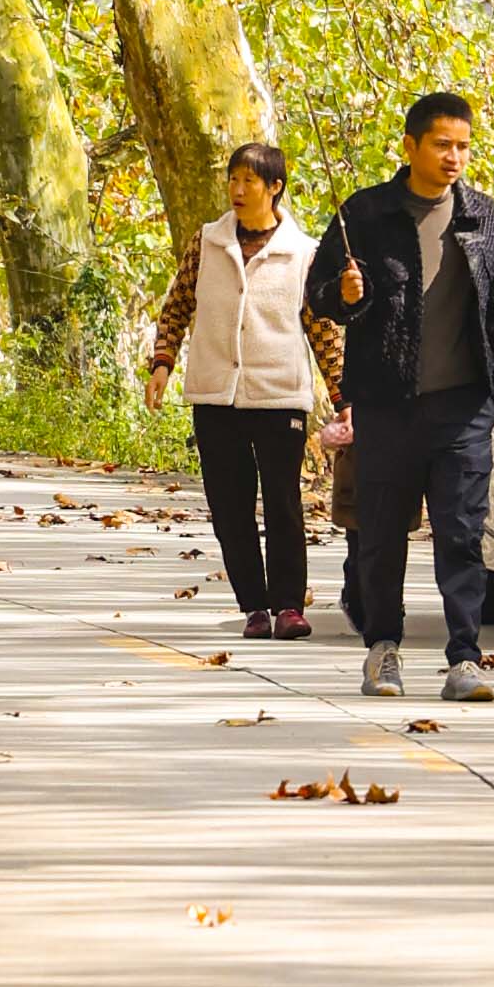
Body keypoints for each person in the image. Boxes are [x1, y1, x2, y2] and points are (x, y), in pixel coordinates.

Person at [305, 86, 494, 704]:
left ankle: (464, 656)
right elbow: (318, 293)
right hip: (386, 404)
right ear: (410, 147)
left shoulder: (483, 219)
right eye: (441, 145)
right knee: (381, 534)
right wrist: (345, 296)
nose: (454, 157)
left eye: (463, 146)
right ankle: (383, 649)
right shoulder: (366, 214)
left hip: (463, 407)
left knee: (462, 533)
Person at [144, 137, 331, 637]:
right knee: (230, 508)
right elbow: (177, 308)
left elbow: (324, 330)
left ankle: (289, 606)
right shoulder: (206, 243)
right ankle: (254, 606)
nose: (238, 189)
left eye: (250, 180)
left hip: (279, 396)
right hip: (214, 395)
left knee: (284, 504)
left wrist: (346, 396)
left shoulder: (304, 254)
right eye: (233, 178)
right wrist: (162, 363)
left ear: (275, 188)